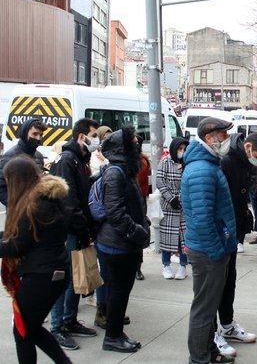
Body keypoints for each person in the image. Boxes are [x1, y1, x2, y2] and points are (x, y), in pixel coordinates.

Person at [0, 156, 72, 364]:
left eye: (8, 182)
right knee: (30, 329)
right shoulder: (44, 200)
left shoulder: (34, 206)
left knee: (23, 332)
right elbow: (19, 233)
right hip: (54, 273)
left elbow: (12, 245)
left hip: (41, 277)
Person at [181, 117, 238, 364]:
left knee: (207, 306)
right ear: (209, 138)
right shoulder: (202, 170)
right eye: (224, 135)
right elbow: (203, 219)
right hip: (207, 251)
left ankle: (208, 353)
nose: (227, 140)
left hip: (211, 248)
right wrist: (217, 250)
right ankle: (199, 359)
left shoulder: (208, 164)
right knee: (204, 310)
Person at [95, 126, 149, 353]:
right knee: (118, 291)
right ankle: (113, 336)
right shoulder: (116, 172)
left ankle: (115, 332)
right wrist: (137, 232)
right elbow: (116, 213)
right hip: (118, 245)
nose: (137, 147)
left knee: (120, 291)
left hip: (122, 243)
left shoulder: (122, 170)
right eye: (133, 144)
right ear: (122, 149)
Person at [48, 118, 100, 350]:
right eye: (94, 134)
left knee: (75, 276)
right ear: (82, 137)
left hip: (77, 228)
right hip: (67, 229)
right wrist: (82, 229)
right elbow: (69, 203)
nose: (96, 139)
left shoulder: (80, 159)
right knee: (64, 278)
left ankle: (69, 320)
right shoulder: (68, 160)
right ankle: (57, 327)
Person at [215, 133, 257, 358]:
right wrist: (223, 231)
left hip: (230, 233)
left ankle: (227, 324)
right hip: (216, 238)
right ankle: (212, 334)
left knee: (228, 282)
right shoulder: (224, 161)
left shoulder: (242, 161)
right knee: (212, 290)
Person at [0, 118, 47, 207]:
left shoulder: (39, 156)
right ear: (25, 134)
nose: (38, 138)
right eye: (34, 134)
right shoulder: (11, 156)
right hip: (18, 215)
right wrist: (19, 207)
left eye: (41, 135)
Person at [157, 137, 190, 280]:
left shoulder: (187, 163)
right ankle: (166, 265)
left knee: (184, 239)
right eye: (179, 149)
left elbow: (189, 182)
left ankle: (183, 266)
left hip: (183, 207)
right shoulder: (165, 162)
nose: (181, 152)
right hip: (168, 206)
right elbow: (160, 181)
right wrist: (171, 198)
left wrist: (181, 199)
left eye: (184, 149)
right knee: (167, 238)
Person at [134, 144, 151, 281]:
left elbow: (136, 180)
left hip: (138, 202)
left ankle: (137, 267)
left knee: (138, 233)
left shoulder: (141, 162)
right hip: (135, 201)